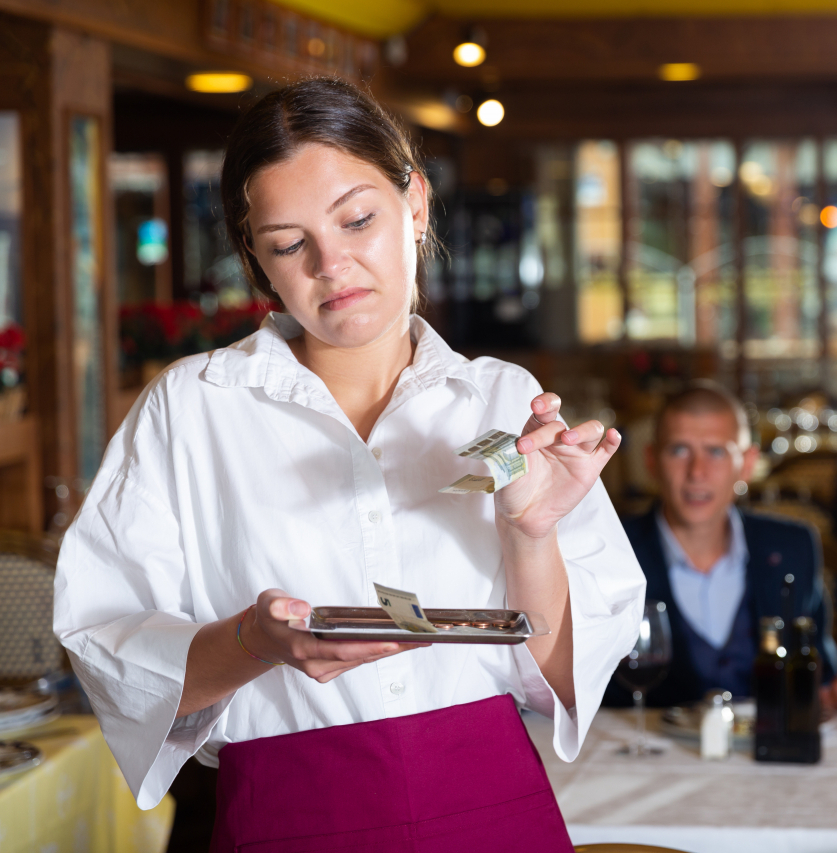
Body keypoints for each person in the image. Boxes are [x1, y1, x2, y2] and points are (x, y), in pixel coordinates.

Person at [52, 78, 645, 851]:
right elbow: (107, 643)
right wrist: (253, 642)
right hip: (292, 811)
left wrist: (530, 533)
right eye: (290, 244)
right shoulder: (191, 407)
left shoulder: (504, 399)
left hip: (490, 800)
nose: (333, 264)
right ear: (258, 262)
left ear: (417, 203)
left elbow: (566, 681)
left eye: (358, 218)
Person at [605, 382, 837, 711]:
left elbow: (819, 676)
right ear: (652, 462)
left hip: (763, 757)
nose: (697, 472)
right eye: (679, 450)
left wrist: (831, 694)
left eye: (716, 452)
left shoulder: (793, 548)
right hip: (646, 755)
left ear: (747, 464)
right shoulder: (611, 549)